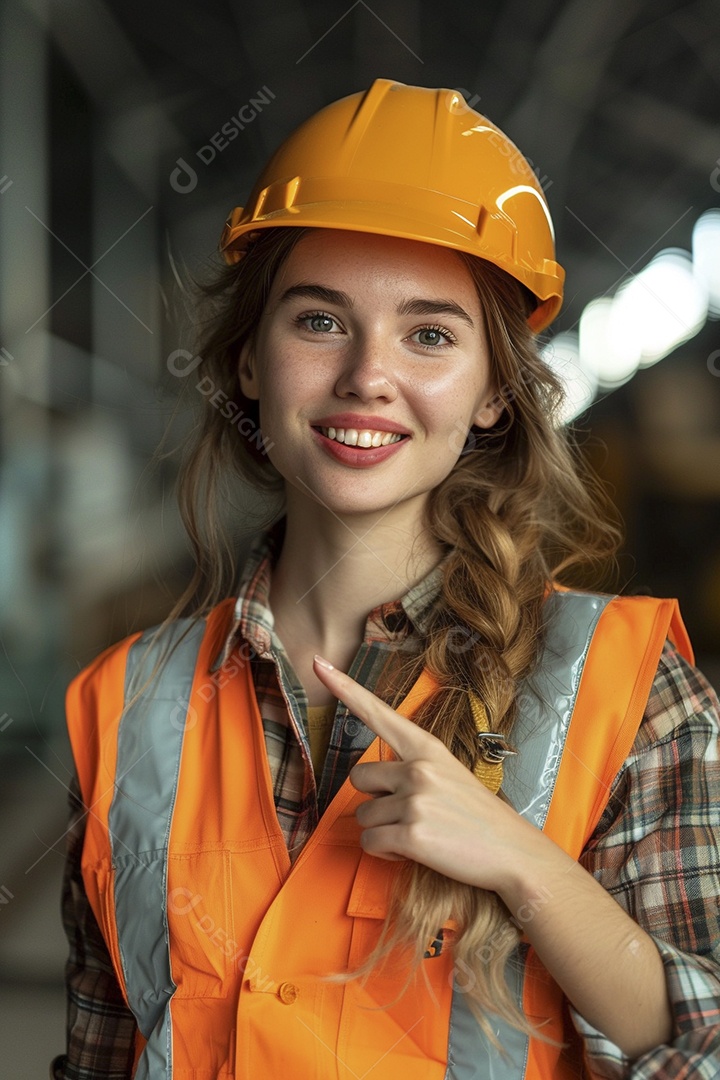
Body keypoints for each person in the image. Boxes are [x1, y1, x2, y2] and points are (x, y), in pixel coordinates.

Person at [52, 79, 720, 1080]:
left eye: (430, 335)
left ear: (494, 392)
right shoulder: (125, 706)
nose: (368, 375)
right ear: (249, 362)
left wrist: (529, 869)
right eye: (319, 322)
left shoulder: (633, 698)